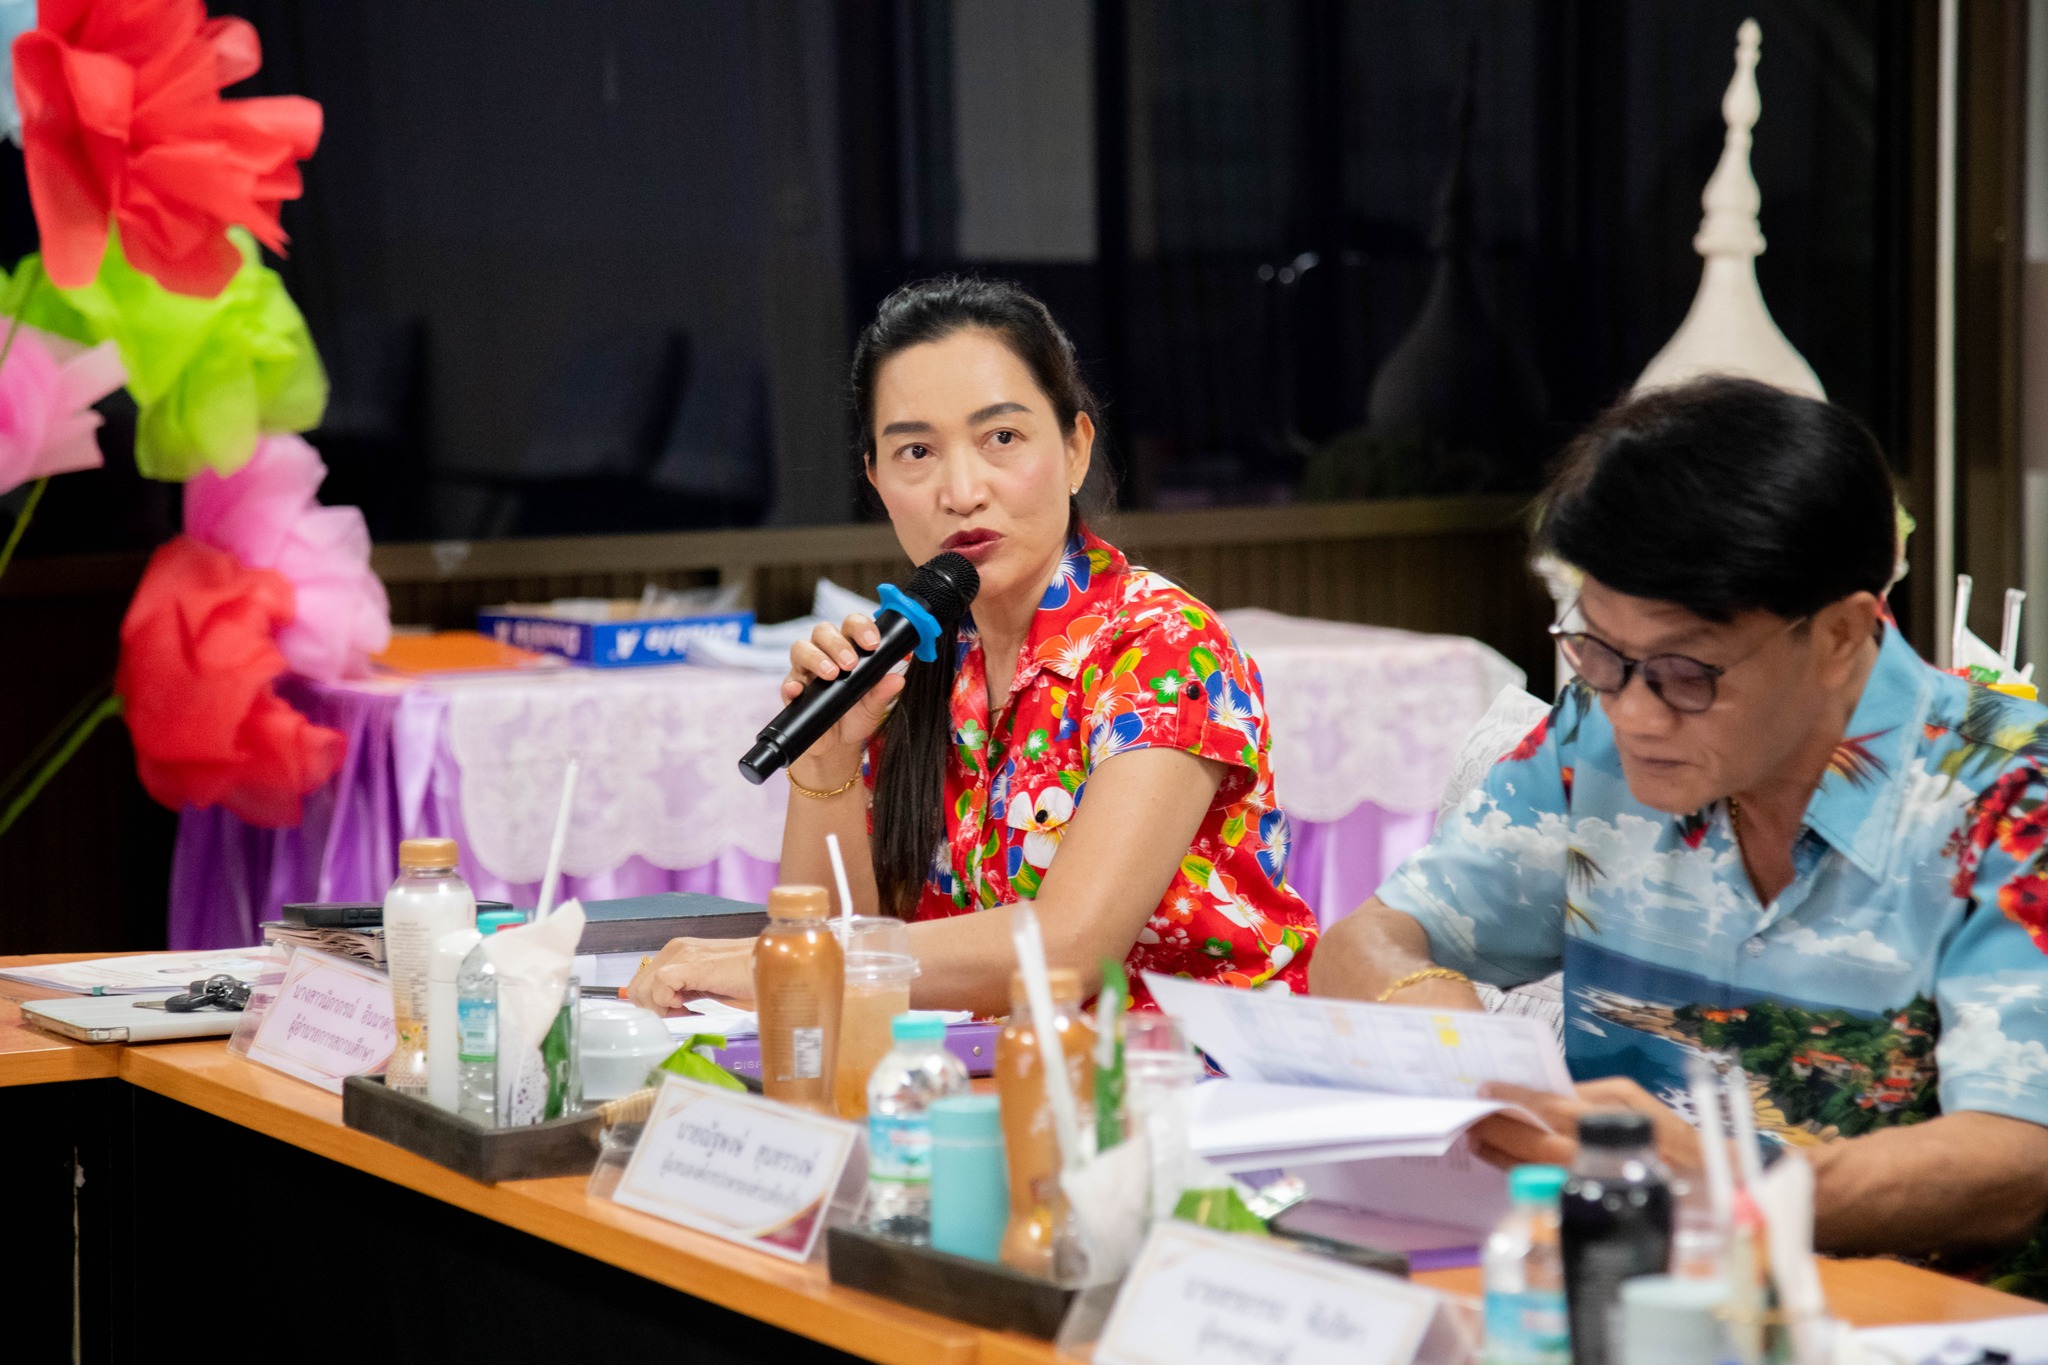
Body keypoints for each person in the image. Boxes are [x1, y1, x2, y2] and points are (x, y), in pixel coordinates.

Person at [1309, 377, 2048, 1269]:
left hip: (1918, 1315)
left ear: (1843, 634)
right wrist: (1460, 1053)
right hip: (1633, 1285)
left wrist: (1730, 1186)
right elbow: (1368, 940)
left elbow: (2016, 1157)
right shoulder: (1590, 741)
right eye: (1598, 652)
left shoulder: (2012, 792)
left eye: (1687, 673)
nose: (1634, 714)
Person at [629, 277, 1318, 1016]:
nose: (961, 490)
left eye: (1002, 439)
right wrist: (827, 760)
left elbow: (1068, 950)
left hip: (1182, 1071)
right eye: (916, 450)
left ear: (1076, 449)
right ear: (876, 480)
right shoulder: (911, 656)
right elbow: (841, 945)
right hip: (981, 1067)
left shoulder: (1164, 646)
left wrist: (771, 964)